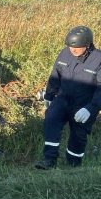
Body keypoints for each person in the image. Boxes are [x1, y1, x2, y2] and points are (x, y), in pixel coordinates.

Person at [35, 26, 101, 170]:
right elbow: (55, 75)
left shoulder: (98, 59)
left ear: (88, 44)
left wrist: (90, 109)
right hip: (63, 99)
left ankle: (73, 165)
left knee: (78, 135)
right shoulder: (65, 53)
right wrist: (49, 95)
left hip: (84, 105)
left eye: (77, 48)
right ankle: (49, 160)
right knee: (51, 119)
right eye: (70, 47)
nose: (73, 50)